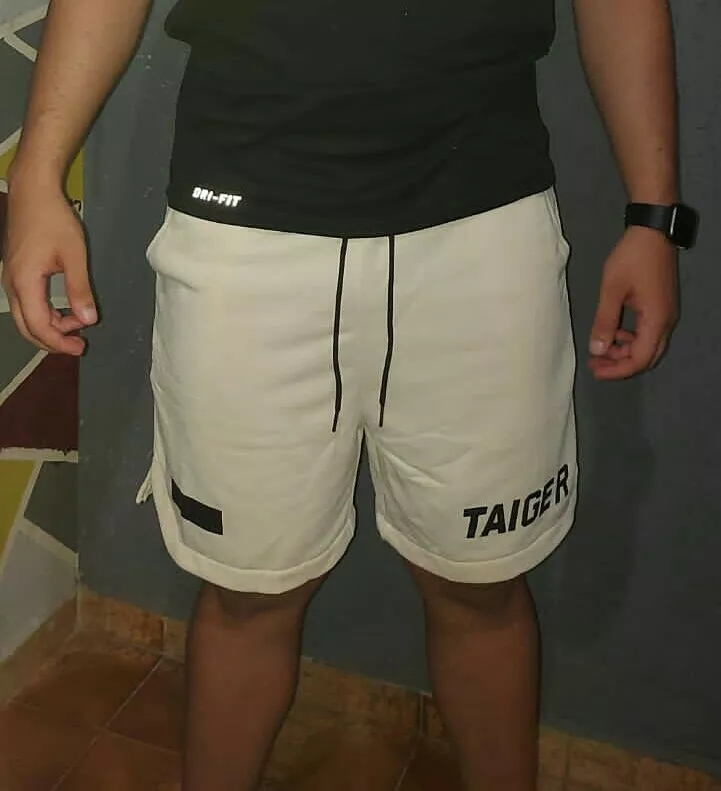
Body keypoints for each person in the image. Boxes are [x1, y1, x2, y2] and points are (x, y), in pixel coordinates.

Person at [1, 0, 697, 789]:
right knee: (249, 593)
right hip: (243, 234)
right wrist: (36, 176)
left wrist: (653, 217)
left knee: (480, 583)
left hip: (482, 235)